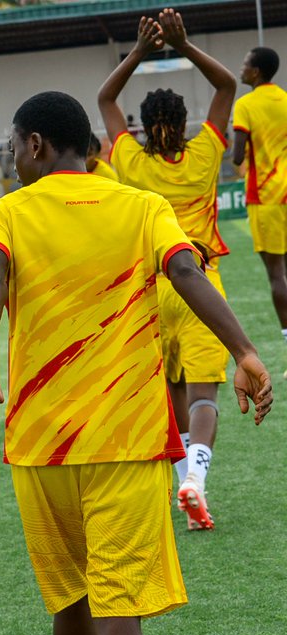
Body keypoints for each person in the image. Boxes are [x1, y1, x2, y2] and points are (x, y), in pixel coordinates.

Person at [0, 90, 271, 635]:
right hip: (129, 439)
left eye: (13, 147)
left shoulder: (6, 214)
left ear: (36, 145)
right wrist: (245, 352)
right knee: (119, 610)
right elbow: (188, 273)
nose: (12, 160)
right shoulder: (140, 206)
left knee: (69, 601)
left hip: (42, 443)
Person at [99, 9, 236, 530]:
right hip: (201, 283)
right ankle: (195, 478)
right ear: (184, 124)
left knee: (168, 387)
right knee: (203, 394)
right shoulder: (204, 154)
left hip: (150, 288)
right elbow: (225, 85)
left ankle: (180, 474)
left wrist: (138, 52)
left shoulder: (130, 160)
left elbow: (105, 100)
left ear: (144, 125)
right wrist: (184, 46)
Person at [232, 44, 287, 376]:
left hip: (266, 195)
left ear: (256, 72)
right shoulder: (285, 99)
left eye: (244, 64)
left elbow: (237, 157)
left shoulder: (246, 104)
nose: (241, 69)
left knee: (276, 273)